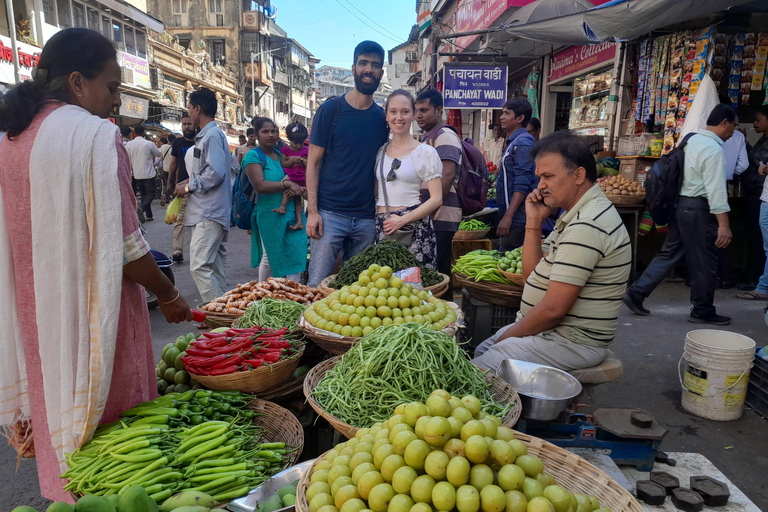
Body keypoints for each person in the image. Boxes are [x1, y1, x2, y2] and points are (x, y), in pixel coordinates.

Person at [0, 28, 192, 502]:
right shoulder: (94, 137)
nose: (116, 100)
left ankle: (68, 497)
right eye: (111, 87)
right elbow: (128, 247)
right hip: (93, 311)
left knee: (56, 403)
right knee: (112, 428)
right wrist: (168, 294)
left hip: (35, 312)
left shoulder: (11, 137)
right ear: (77, 83)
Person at [472, 131, 631, 373]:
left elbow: (553, 311)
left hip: (571, 340)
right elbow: (531, 277)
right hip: (555, 333)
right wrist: (533, 222)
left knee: (482, 368)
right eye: (539, 177)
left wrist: (507, 339)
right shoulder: (574, 213)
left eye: (548, 176)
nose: (540, 186)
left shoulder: (587, 223)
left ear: (578, 175)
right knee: (482, 351)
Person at [624, 104, 735, 325]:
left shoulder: (691, 140)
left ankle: (636, 292)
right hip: (698, 210)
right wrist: (724, 224)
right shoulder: (713, 150)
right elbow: (715, 190)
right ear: (724, 123)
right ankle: (702, 309)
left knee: (670, 252)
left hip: (680, 205)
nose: (733, 131)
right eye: (733, 125)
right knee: (704, 261)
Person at [305, 40, 389, 287]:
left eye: (375, 65)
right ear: (353, 68)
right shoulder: (331, 110)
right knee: (318, 287)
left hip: (365, 219)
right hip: (329, 215)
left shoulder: (381, 118)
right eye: (363, 63)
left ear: (381, 73)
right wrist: (312, 211)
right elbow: (313, 163)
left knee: (357, 292)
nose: (368, 69)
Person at [173, 87, 232, 303]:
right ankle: (225, 312)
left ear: (198, 109)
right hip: (208, 211)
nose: (188, 112)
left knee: (199, 264)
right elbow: (214, 170)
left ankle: (215, 312)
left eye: (189, 108)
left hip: (210, 211)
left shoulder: (212, 135)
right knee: (213, 266)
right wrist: (190, 181)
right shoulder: (208, 136)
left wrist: (190, 186)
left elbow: (216, 172)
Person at [375, 90, 443, 267]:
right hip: (384, 227)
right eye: (393, 111)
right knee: (384, 288)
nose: (399, 117)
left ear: (413, 115)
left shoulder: (425, 152)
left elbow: (437, 199)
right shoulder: (380, 152)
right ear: (386, 115)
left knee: (414, 289)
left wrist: (403, 220)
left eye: (405, 112)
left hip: (413, 228)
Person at [244, 117, 308, 281]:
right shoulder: (253, 156)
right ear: (256, 135)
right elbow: (260, 185)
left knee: (296, 253)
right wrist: (287, 184)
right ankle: (264, 293)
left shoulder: (282, 155)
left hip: (293, 212)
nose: (271, 135)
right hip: (270, 214)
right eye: (265, 132)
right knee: (271, 257)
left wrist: (298, 188)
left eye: (273, 131)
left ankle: (294, 296)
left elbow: (299, 177)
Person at [416, 89, 462, 285]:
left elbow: (447, 175)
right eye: (417, 110)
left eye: (424, 110)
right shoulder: (429, 136)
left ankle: (448, 312)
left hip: (440, 217)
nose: (419, 115)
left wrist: (429, 214)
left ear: (439, 110)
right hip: (434, 215)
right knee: (438, 273)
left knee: (435, 275)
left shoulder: (444, 136)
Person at [496, 98, 537, 251]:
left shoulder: (523, 143)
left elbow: (522, 182)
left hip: (518, 219)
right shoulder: (514, 142)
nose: (501, 117)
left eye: (507, 113)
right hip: (513, 217)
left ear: (520, 118)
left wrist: (508, 217)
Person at [738, 106, 768, 299]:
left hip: (759, 194)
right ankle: (758, 279)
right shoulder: (763, 139)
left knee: (760, 239)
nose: (755, 123)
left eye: (758, 119)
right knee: (758, 238)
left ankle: (758, 278)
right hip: (759, 194)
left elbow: (759, 162)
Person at [717, 125, 748, 289]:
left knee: (711, 231)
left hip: (706, 186)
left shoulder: (707, 134)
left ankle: (712, 276)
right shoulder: (737, 136)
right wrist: (730, 172)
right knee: (723, 233)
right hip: (725, 183)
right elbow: (743, 165)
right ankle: (725, 277)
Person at [167, 115, 196, 262]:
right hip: (181, 186)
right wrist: (169, 182)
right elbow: (173, 164)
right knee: (179, 220)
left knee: (195, 221)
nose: (187, 127)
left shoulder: (200, 141)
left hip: (198, 187)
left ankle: (196, 252)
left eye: (189, 124)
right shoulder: (178, 143)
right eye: (184, 124)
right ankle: (177, 251)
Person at [275, 121, 309, 230]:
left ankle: (299, 221)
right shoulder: (284, 150)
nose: (298, 146)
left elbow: (311, 164)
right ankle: (283, 207)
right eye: (295, 143)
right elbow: (283, 163)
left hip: (302, 175)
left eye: (301, 143)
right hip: (291, 175)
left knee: (301, 198)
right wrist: (292, 161)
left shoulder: (307, 150)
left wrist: (304, 161)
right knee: (287, 189)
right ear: (289, 139)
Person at [126, 124, 162, 221]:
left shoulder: (129, 145)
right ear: (143, 132)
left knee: (143, 194)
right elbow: (159, 154)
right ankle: (142, 208)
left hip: (136, 173)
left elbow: (127, 159)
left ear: (134, 133)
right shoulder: (149, 143)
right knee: (151, 193)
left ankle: (149, 215)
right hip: (148, 173)